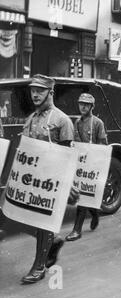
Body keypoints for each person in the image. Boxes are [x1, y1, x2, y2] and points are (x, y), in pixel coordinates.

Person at [17, 75, 79, 284]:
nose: (34, 94)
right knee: (17, 218)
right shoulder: (31, 119)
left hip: (52, 181)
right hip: (31, 181)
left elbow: (69, 157)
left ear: (51, 92)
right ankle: (53, 243)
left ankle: (39, 267)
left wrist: (70, 184)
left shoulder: (62, 121)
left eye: (40, 91)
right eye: (32, 90)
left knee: (44, 222)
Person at [65, 93, 108, 242]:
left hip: (93, 165)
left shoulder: (97, 123)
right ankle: (95, 212)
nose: (83, 107)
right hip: (80, 164)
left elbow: (103, 144)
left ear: (91, 106)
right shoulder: (77, 122)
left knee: (82, 197)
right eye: (81, 104)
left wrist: (93, 157)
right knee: (81, 194)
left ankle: (77, 230)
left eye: (86, 104)